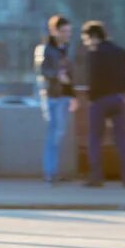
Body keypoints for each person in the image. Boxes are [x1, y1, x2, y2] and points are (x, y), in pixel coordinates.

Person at [82, 21, 125, 187]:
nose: (85, 42)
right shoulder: (120, 51)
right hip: (118, 99)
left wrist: (92, 97)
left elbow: (92, 79)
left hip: (99, 100)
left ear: (94, 37)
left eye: (86, 38)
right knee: (121, 139)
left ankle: (96, 177)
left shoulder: (94, 53)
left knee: (95, 138)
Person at [35, 15, 78, 185]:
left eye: (69, 31)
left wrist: (73, 96)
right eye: (64, 31)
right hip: (53, 96)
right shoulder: (46, 49)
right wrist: (58, 76)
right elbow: (43, 72)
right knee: (53, 135)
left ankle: (52, 172)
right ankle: (50, 173)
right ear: (55, 31)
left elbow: (71, 75)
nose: (68, 34)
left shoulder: (65, 49)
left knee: (57, 135)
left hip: (64, 97)